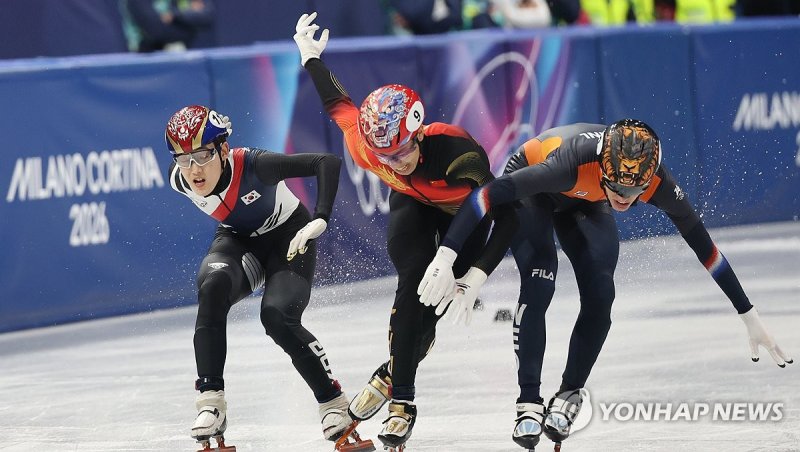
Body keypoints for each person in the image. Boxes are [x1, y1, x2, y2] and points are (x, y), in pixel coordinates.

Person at [418, 120, 793, 450]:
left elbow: (706, 249)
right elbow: (486, 193)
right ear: (604, 169)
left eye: (633, 193)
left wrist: (748, 313)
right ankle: (528, 402)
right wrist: (446, 256)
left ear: (649, 180)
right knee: (540, 280)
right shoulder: (570, 164)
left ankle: (569, 393)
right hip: (538, 185)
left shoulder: (657, 183)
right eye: (617, 187)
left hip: (586, 197)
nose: (624, 198)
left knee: (601, 293)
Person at [293, 12, 518, 450]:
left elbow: (505, 215)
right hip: (413, 207)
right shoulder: (368, 147)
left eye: (400, 152)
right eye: (385, 157)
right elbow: (339, 107)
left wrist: (475, 275)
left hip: (465, 216)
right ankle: (405, 401)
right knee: (414, 284)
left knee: (434, 306)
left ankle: (390, 373)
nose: (394, 163)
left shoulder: (457, 153)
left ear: (418, 134)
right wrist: (310, 59)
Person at [164, 105, 353, 449]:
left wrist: (321, 218)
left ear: (223, 148)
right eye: (182, 158)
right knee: (212, 287)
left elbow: (327, 162)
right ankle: (211, 402)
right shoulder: (179, 179)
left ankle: (333, 402)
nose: (193, 169)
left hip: (289, 239)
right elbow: (225, 209)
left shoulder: (255, 165)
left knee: (276, 316)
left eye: (202, 155)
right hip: (238, 240)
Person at [120, 0, 214, 52]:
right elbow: (156, 32)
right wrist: (189, 30)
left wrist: (174, 15)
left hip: (186, 55)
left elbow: (207, 16)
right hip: (146, 58)